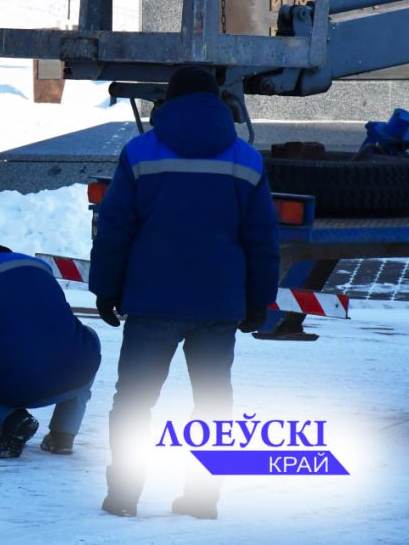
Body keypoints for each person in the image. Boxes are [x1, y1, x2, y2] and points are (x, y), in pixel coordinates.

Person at [90, 66, 279, 519]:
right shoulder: (246, 159)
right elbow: (262, 239)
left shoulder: (139, 153)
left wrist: (106, 288)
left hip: (151, 302)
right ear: (219, 103)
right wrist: (259, 299)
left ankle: (124, 495)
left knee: (134, 400)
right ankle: (202, 497)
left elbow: (115, 227)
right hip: (218, 305)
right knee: (213, 402)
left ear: (168, 103)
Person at [0, 232, 102, 459]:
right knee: (85, 341)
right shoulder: (37, 266)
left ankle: (13, 420)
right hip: (75, 371)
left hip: (19, 384)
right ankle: (63, 434)